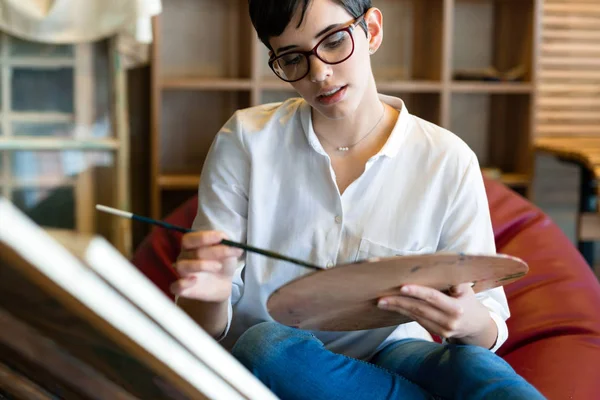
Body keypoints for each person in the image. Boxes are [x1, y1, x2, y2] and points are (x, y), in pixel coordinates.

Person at [171, 0, 546, 399]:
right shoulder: (246, 140)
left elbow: (487, 323)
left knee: (476, 365)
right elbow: (205, 326)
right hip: (277, 360)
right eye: (293, 58)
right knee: (264, 347)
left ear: (372, 30)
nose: (320, 73)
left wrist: (468, 322)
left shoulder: (447, 159)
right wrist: (207, 298)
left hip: (394, 351)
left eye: (333, 41)